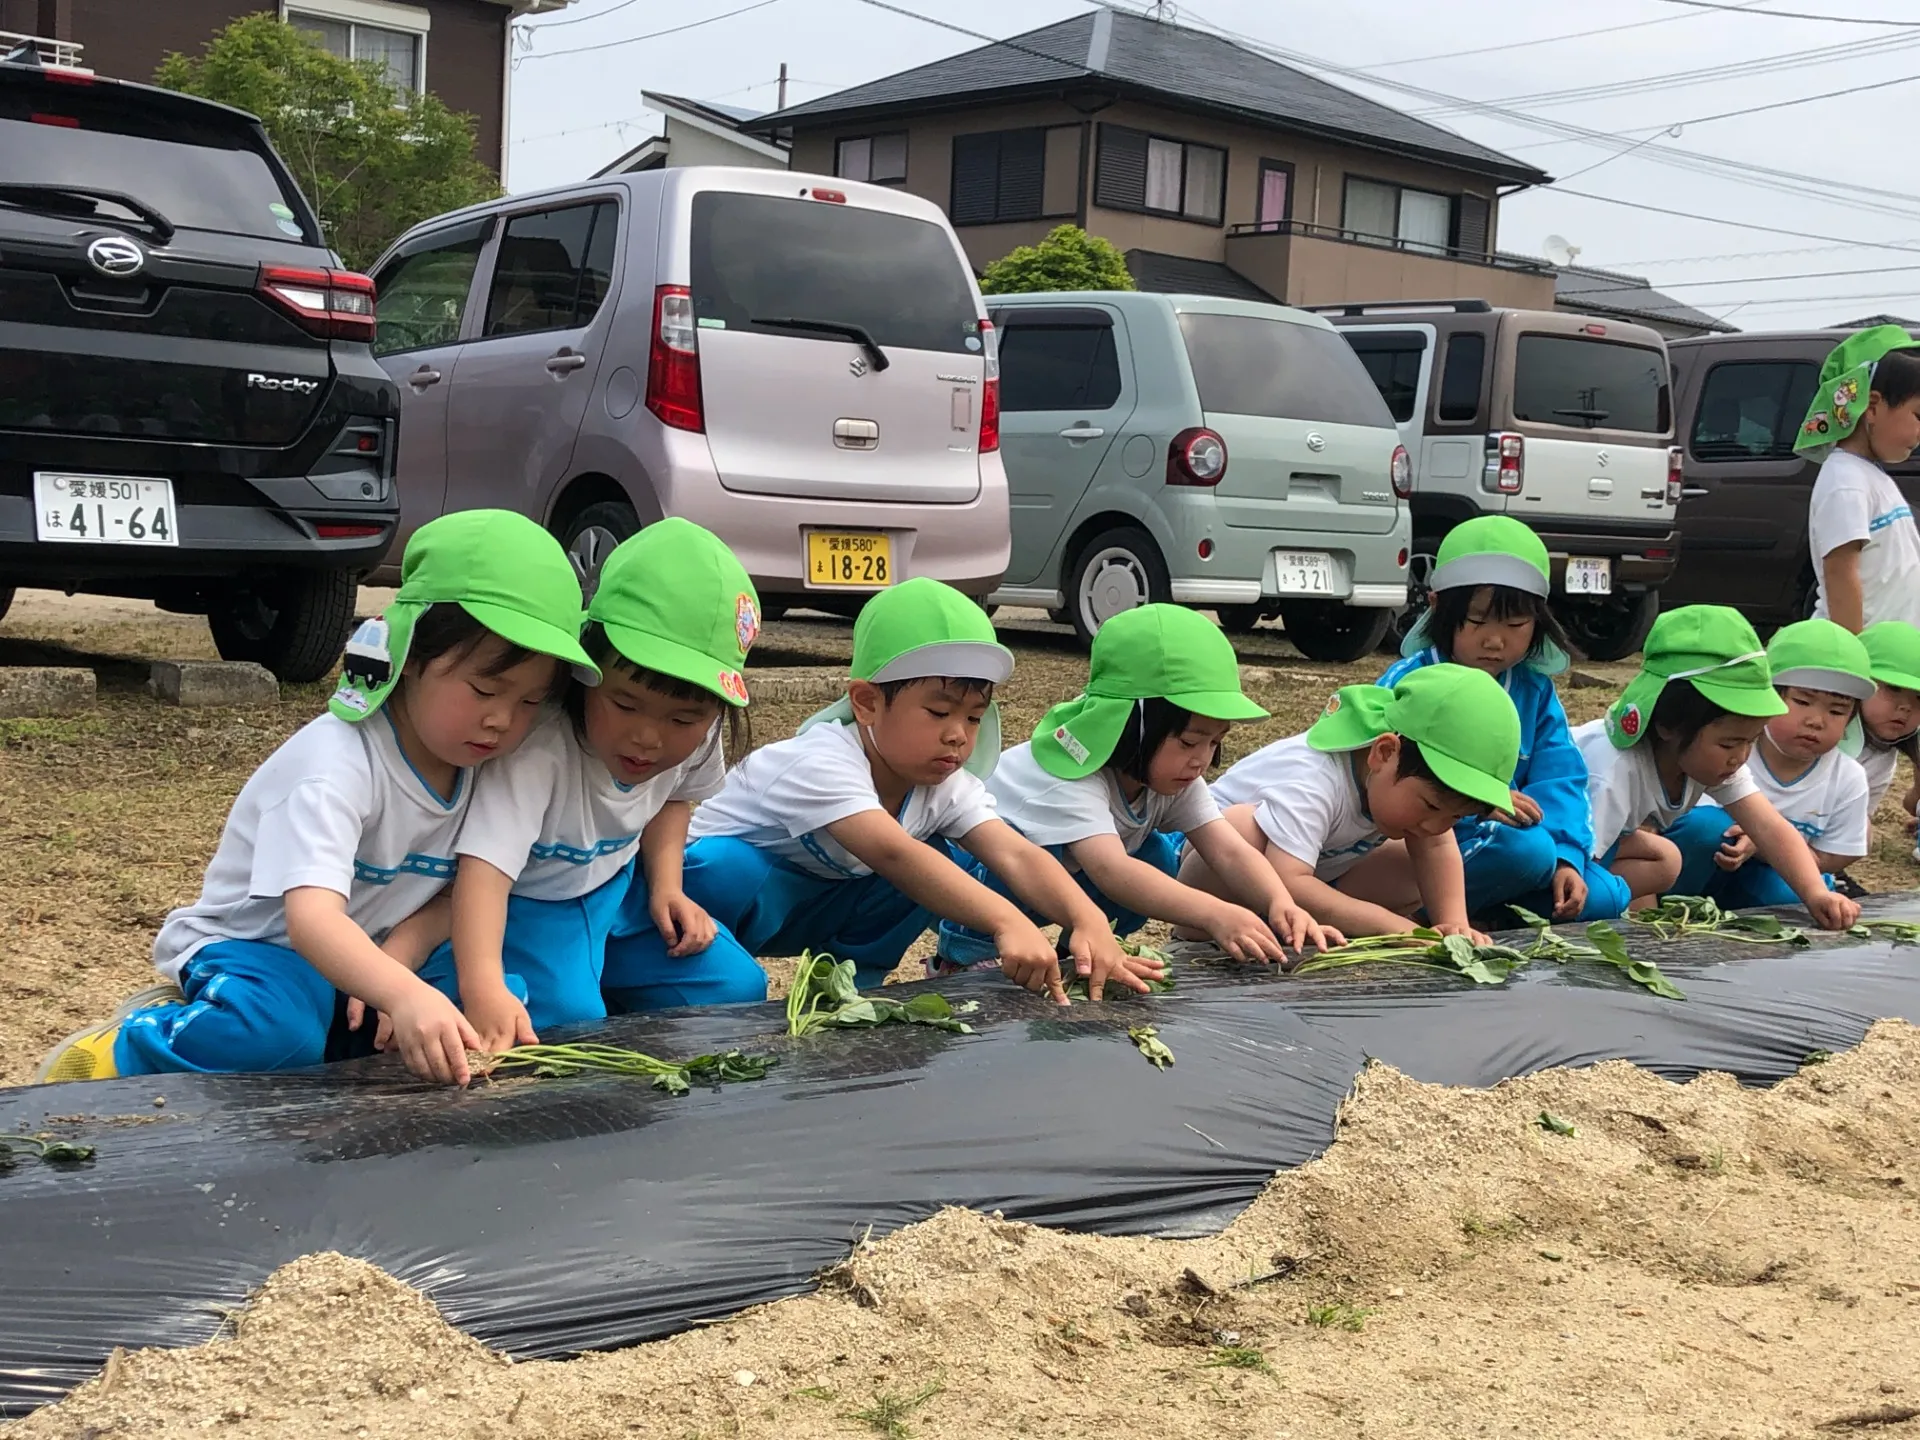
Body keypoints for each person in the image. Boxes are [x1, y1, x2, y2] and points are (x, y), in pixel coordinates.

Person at [36, 511, 600, 1085]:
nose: (502, 720)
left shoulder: (486, 765)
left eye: (530, 702)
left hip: (370, 957)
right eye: (484, 689)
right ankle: (131, 1044)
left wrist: (401, 960)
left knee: (501, 1000)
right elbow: (310, 921)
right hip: (264, 950)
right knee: (275, 1031)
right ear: (410, 655)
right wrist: (402, 993)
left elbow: (459, 890)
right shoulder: (335, 764)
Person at [678, 578, 1162, 1003]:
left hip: (812, 903)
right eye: (939, 712)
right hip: (722, 902)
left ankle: (851, 989)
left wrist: (1086, 920)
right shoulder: (818, 761)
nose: (958, 735)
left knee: (934, 860)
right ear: (866, 703)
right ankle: (688, 974)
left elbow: (1015, 853)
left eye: (973, 717)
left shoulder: (942, 783)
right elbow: (892, 852)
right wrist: (1007, 921)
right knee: (728, 866)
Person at [408, 519, 764, 1051]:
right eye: (624, 703)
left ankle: (600, 977)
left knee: (736, 987)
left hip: (614, 890)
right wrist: (483, 987)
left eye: (682, 718)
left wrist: (666, 887)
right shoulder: (540, 747)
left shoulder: (699, 733)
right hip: (527, 905)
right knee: (570, 1024)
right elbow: (484, 872)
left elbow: (675, 798)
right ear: (585, 669)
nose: (648, 738)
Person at [933, 604, 1335, 975]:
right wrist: (1215, 914)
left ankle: (1085, 952)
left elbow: (1227, 849)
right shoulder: (1070, 772)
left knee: (1156, 857)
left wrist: (1279, 902)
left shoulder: (1172, 775)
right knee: (1040, 853)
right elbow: (1111, 871)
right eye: (1189, 741)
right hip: (971, 877)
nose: (1201, 759)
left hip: (1067, 884)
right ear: (1129, 726)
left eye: (1214, 742)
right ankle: (963, 957)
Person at [1182, 664, 1522, 943]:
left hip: (1309, 872)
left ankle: (1307, 930)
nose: (1436, 825)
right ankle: (1203, 932)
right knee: (1242, 829)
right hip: (1216, 872)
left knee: (1417, 864)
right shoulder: (1314, 780)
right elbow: (1289, 881)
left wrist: (1455, 925)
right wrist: (1390, 926)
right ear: (1384, 753)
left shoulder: (1390, 785)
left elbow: (1437, 847)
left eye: (1456, 816)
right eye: (1431, 807)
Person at [1572, 605, 1859, 930]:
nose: (1740, 756)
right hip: (1562, 850)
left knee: (1667, 859)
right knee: (1598, 893)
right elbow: (1579, 861)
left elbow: (1769, 826)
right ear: (1669, 724)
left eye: (1750, 741)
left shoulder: (1704, 756)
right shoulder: (1613, 770)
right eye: (1729, 744)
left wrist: (1816, 893)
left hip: (1599, 846)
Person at [1379, 516, 1594, 922]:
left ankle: (1485, 911)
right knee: (1528, 854)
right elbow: (1378, 775)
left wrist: (1568, 858)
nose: (1495, 640)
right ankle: (1424, 913)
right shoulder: (1410, 680)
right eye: (1476, 621)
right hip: (1430, 844)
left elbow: (1560, 776)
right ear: (1437, 607)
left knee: (1602, 897)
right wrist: (1476, 803)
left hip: (1519, 847)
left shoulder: (1534, 691)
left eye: (1515, 624)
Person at [1663, 619, 1873, 907]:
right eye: (1802, 702)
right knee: (1707, 829)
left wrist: (1764, 849)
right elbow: (1695, 824)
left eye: (1837, 711)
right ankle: (1669, 906)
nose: (1816, 721)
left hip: (1770, 878)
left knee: (1791, 895)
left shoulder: (1848, 777)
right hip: (1707, 862)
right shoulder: (1731, 751)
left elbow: (1834, 855)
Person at [1798, 324, 1920, 633]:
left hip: (1888, 652)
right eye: (1918, 416)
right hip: (1866, 654)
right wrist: (1853, 656)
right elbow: (1841, 575)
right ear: (1873, 407)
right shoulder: (1846, 482)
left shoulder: (1870, 475)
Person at [1845, 621, 1920, 837]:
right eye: (1893, 688)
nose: (1906, 707)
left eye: (1919, 698)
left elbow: (1855, 824)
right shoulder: (1823, 736)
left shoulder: (1885, 755)